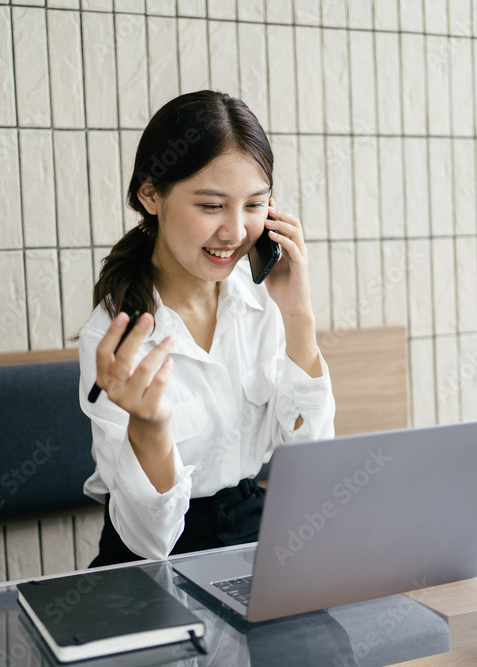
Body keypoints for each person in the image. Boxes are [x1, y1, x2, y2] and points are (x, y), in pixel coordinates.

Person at [78, 90, 336, 567]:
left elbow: (313, 462)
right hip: (156, 552)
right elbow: (149, 539)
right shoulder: (116, 334)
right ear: (151, 194)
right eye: (212, 206)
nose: (236, 233)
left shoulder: (263, 297)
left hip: (255, 527)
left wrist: (298, 316)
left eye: (254, 205)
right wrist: (150, 426)